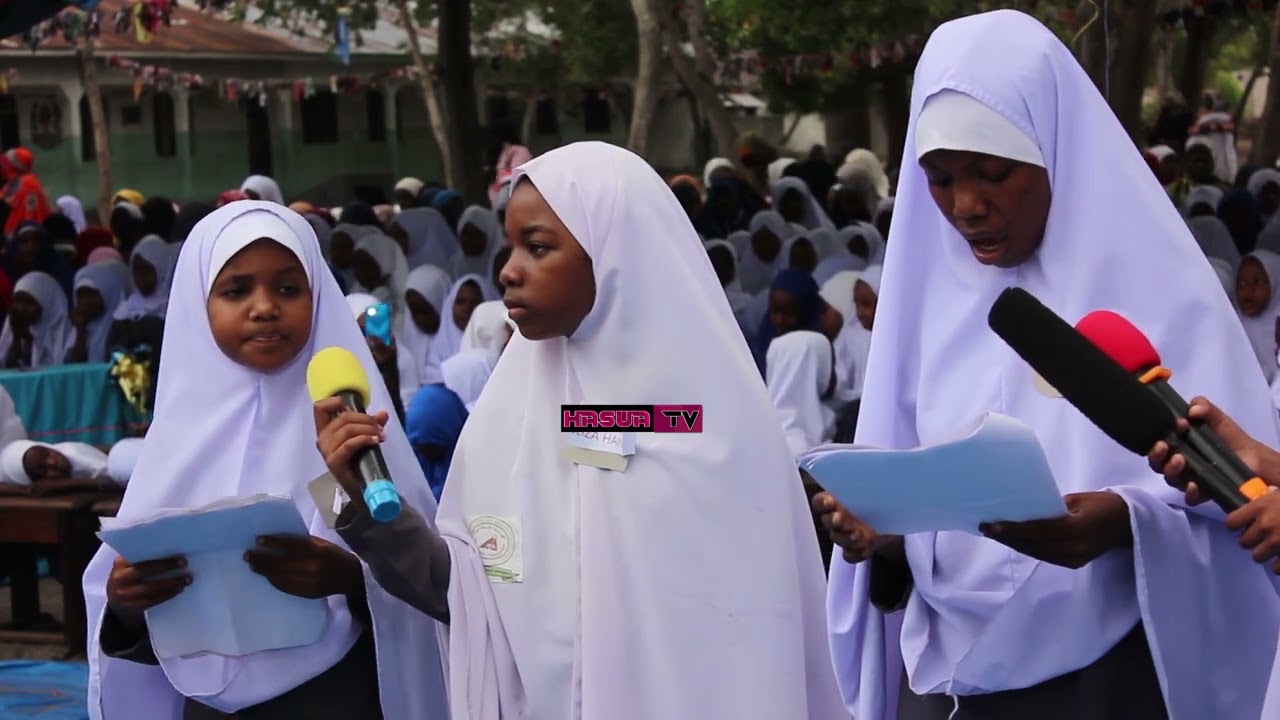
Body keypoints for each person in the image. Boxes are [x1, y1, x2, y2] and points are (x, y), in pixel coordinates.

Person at [815, 10, 1280, 720]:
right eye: (938, 180)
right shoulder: (923, 311)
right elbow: (911, 497)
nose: (966, 206)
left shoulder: (1164, 298)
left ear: (1055, 150)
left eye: (993, 174)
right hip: (949, 681)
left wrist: (1123, 521)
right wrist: (879, 533)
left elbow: (1242, 514)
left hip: (1117, 679)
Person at [314, 141, 846, 718]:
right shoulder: (508, 420)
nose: (508, 270)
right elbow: (471, 599)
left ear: (618, 258)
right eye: (512, 245)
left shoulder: (716, 432)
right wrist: (363, 498)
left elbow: (751, 647)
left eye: (538, 248)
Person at [81, 201, 448, 720]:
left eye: (287, 289)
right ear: (198, 304)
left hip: (336, 695)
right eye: (235, 290)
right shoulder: (177, 439)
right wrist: (126, 602)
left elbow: (433, 592)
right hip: (204, 702)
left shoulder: (354, 427)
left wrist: (351, 579)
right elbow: (124, 607)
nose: (264, 308)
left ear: (318, 297)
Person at [0, 148, 51, 236]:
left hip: (26, 235)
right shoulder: (10, 184)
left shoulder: (29, 183)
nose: (3, 167)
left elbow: (30, 213)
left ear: (14, 165)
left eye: (6, 164)